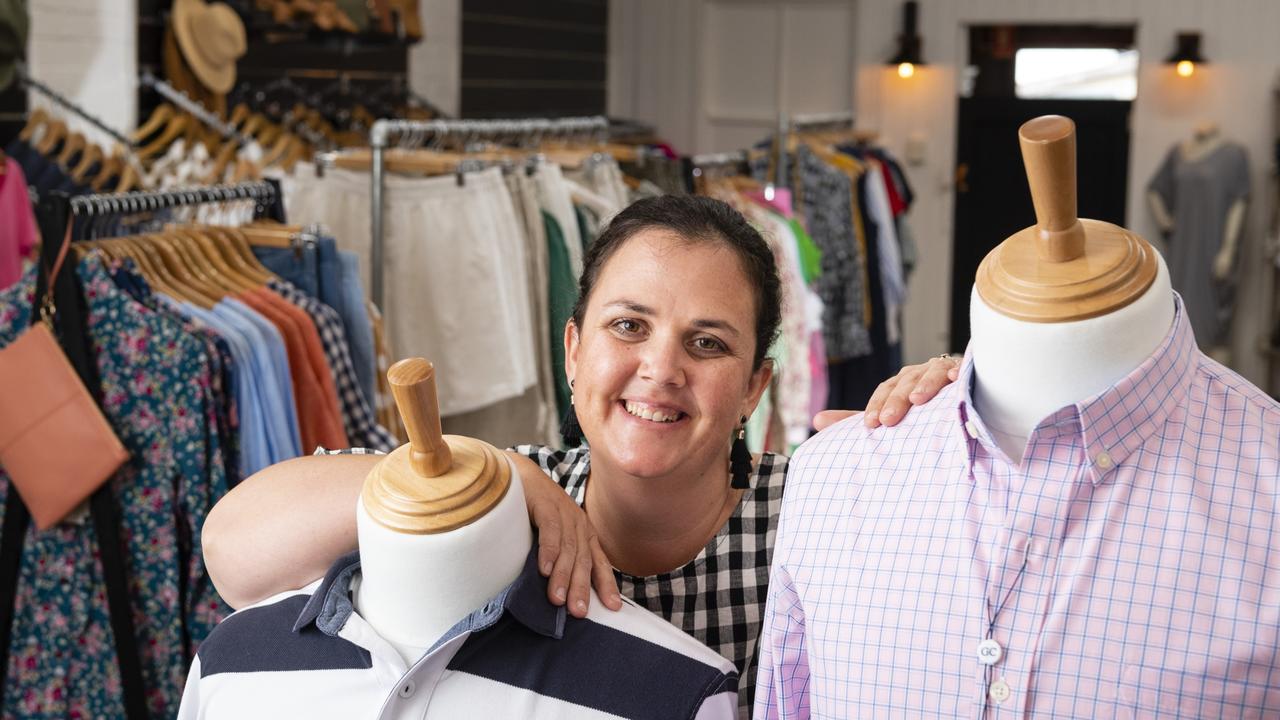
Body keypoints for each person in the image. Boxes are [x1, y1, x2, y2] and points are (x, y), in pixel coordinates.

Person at [202, 195, 960, 714]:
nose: (661, 370)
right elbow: (234, 550)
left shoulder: (821, 518)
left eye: (707, 343)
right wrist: (495, 474)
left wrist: (965, 410)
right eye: (629, 327)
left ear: (755, 386)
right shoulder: (493, 500)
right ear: (573, 349)